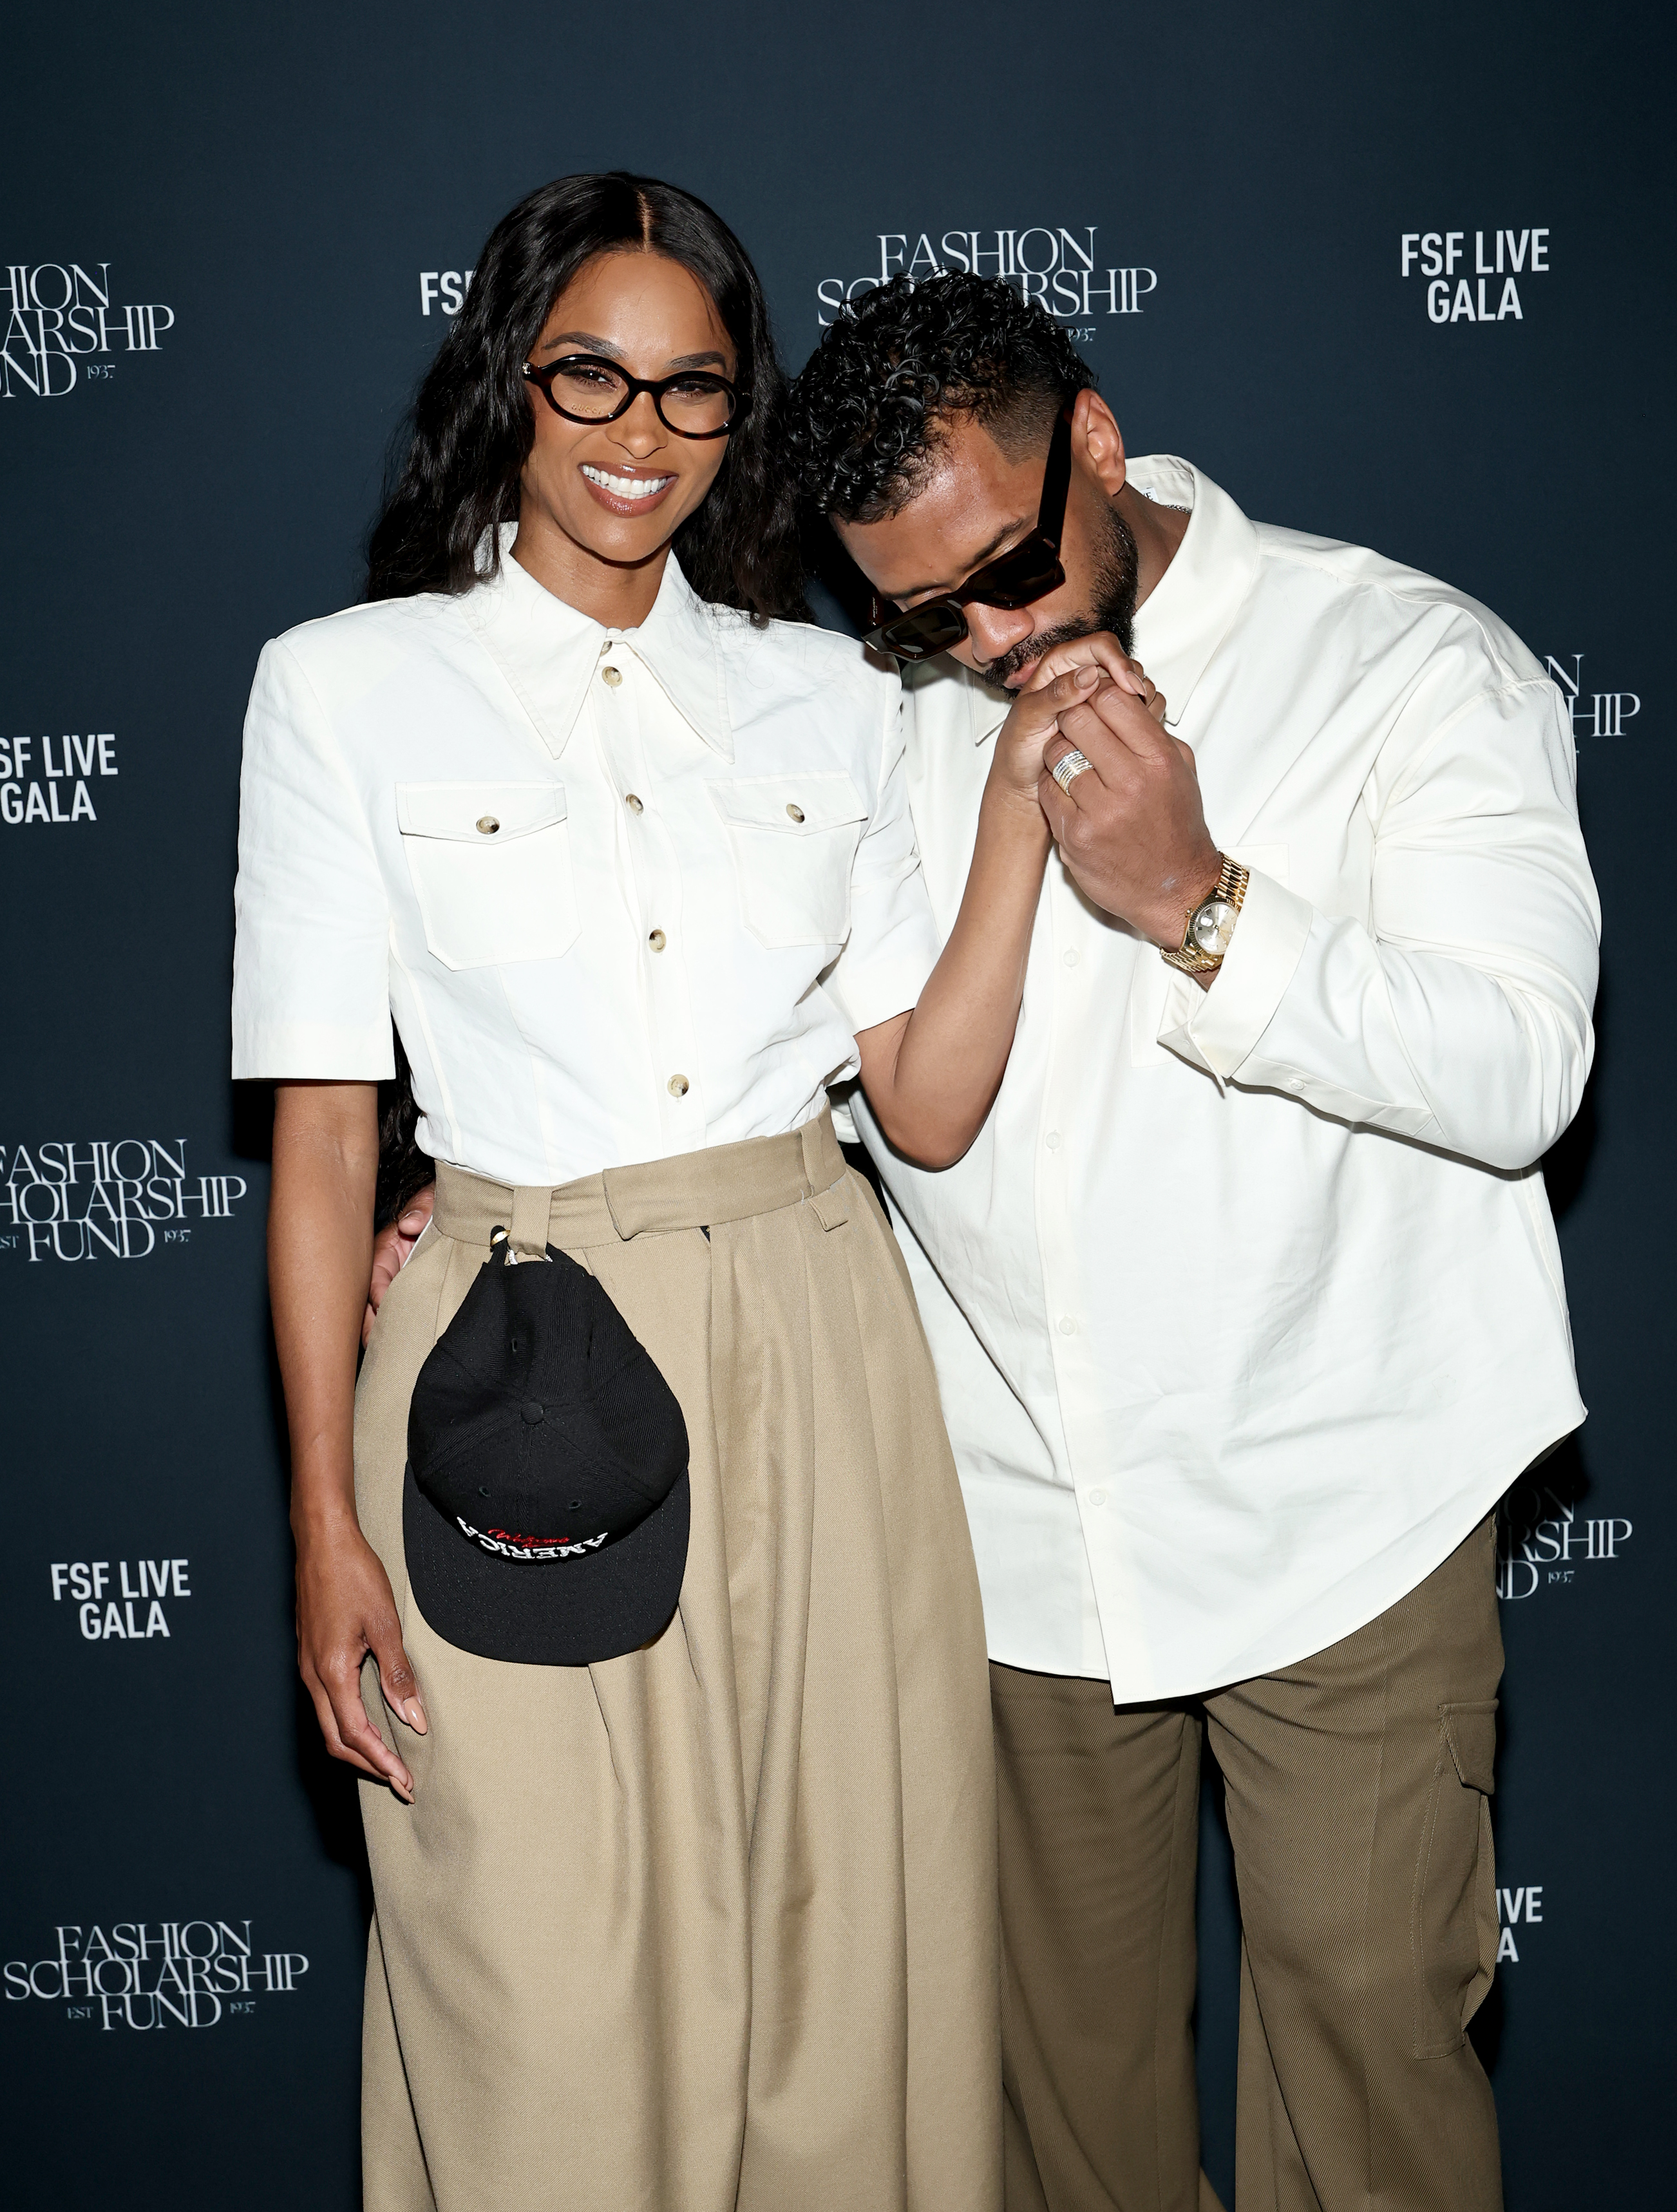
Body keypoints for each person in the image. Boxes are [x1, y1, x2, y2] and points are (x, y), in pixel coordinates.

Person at [233, 182, 1132, 2212]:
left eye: (695, 388)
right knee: (531, 1995)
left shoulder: (832, 697)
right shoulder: (343, 689)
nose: (639, 433)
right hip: (502, 1349)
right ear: (510, 381)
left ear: (741, 416)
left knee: (844, 1993)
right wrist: (314, 1518)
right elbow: (318, 1143)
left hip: (817, 1339)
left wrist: (1001, 823)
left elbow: (926, 1095)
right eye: (591, 374)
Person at [772, 276, 1600, 2212]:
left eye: (1004, 568)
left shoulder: (1398, 659)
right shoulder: (879, 724)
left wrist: (1203, 905)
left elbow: (1521, 1066)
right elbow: (798, 1066)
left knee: (1369, 2107)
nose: (984, 639)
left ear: (1091, 439)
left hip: (1341, 1515)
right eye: (917, 614)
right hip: (1018, 1546)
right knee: (1071, 2132)